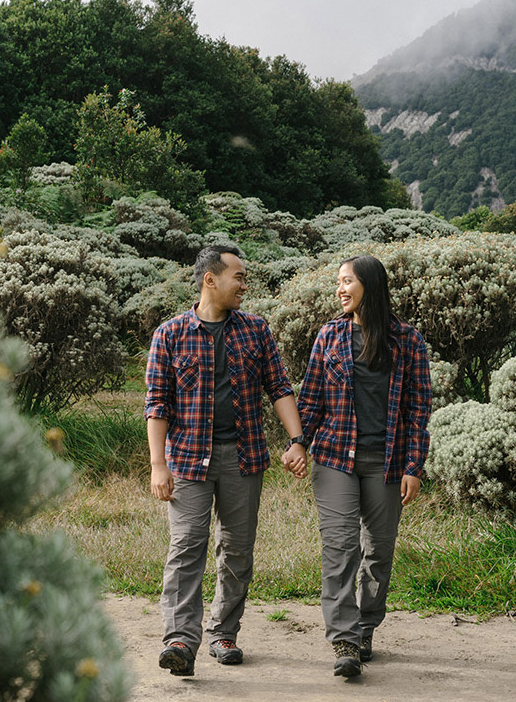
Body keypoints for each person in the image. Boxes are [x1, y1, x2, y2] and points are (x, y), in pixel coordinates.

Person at [145, 245, 308, 677]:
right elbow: (157, 404)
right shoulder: (170, 334)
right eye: (238, 276)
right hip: (187, 459)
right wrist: (158, 465)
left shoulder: (256, 330)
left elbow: (279, 387)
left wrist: (297, 440)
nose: (244, 285)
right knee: (187, 546)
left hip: (244, 457)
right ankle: (180, 640)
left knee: (237, 549)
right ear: (210, 279)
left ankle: (223, 633)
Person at [288, 254, 431, 678]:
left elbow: (418, 410)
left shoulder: (407, 340)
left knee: (379, 552)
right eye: (338, 282)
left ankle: (366, 626)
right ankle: (345, 639)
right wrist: (298, 443)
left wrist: (414, 466)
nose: (340, 289)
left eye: (347, 281)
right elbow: (311, 399)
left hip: (387, 463)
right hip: (335, 457)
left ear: (370, 284)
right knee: (341, 548)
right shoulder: (330, 335)